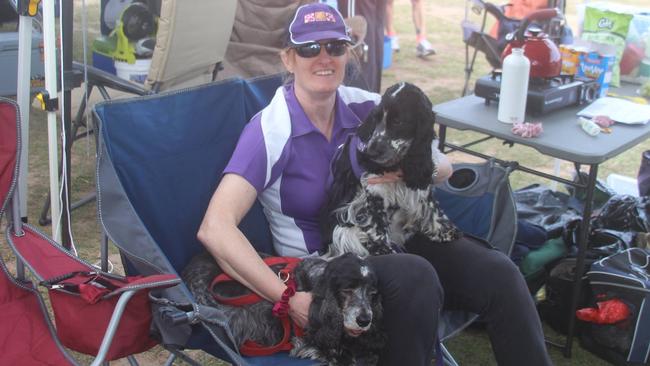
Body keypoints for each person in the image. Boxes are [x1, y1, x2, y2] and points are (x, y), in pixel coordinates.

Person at [197, 3, 552, 365]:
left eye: (335, 46)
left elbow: (442, 164)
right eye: (309, 48)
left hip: (391, 240)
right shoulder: (270, 131)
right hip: (326, 265)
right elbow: (215, 229)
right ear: (288, 59)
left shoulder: (368, 107)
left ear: (348, 53)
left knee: (499, 274)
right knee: (415, 275)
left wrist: (414, 170)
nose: (324, 57)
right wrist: (288, 298)